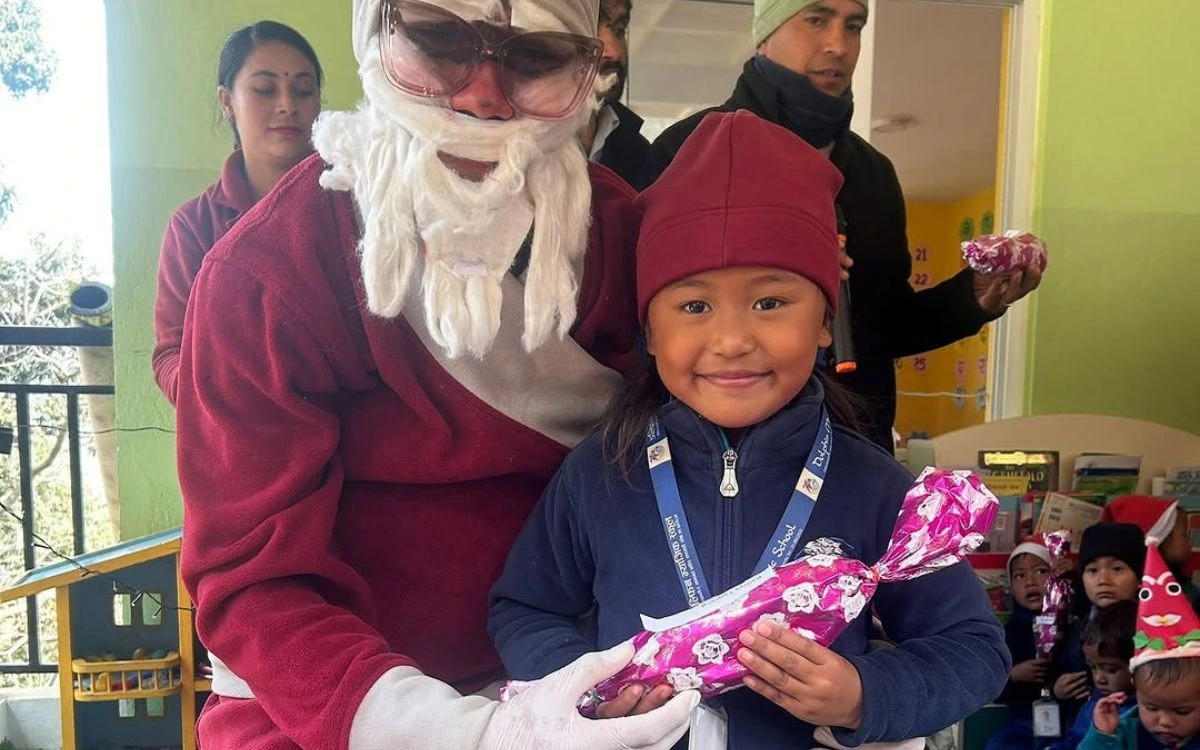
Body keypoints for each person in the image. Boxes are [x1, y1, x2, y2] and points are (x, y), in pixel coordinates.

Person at [175, 1, 698, 748]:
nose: (482, 95)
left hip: (575, 679)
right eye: (440, 41)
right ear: (377, 33)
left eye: (534, 57)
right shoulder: (270, 272)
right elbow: (253, 584)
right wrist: (468, 736)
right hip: (324, 708)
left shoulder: (623, 238)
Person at [488, 110, 1009, 749]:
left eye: (770, 302)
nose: (732, 340)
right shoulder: (603, 471)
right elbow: (525, 609)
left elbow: (974, 648)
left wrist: (863, 693)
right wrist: (585, 685)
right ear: (650, 330)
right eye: (694, 306)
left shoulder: (874, 485)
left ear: (824, 322)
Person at [642, 0, 1043, 453]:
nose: (838, 45)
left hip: (853, 448)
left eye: (853, 26)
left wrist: (972, 297)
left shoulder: (872, 173)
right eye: (816, 19)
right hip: (716, 456)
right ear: (764, 33)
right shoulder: (689, 151)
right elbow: (648, 314)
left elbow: (885, 324)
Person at [152, 21, 323, 404]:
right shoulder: (194, 227)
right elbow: (170, 354)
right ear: (227, 102)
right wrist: (221, 403)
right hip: (242, 449)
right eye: (264, 89)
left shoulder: (355, 207)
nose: (287, 105)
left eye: (304, 91)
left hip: (356, 448)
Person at [1080, 544, 1200, 750]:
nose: (1164, 721)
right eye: (1151, 707)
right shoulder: (1126, 729)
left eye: (1182, 711)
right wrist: (1102, 736)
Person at [1052, 523, 1148, 729]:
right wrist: (1057, 689)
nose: (1103, 580)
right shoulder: (1078, 624)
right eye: (1092, 570)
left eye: (1117, 569)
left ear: (1140, 576)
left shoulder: (1154, 629)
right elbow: (1060, 668)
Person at [578, 0, 653, 190]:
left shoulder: (640, 154)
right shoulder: (510, 147)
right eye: (590, 31)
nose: (614, 52)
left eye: (619, 31)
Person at [988, 538, 1055, 750]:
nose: (1030, 582)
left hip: (1067, 721)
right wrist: (1014, 675)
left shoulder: (1070, 626)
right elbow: (991, 688)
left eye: (1041, 571)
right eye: (1019, 575)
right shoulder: (1007, 634)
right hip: (1022, 725)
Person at [1050, 600, 1138, 750]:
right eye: (1093, 667)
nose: (1099, 678)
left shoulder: (1144, 714)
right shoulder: (1094, 703)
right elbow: (1074, 740)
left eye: (1110, 669)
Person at [1102, 496, 1200, 609]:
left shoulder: (1184, 584)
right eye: (1184, 535)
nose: (1190, 543)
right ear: (1160, 540)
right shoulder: (1183, 595)